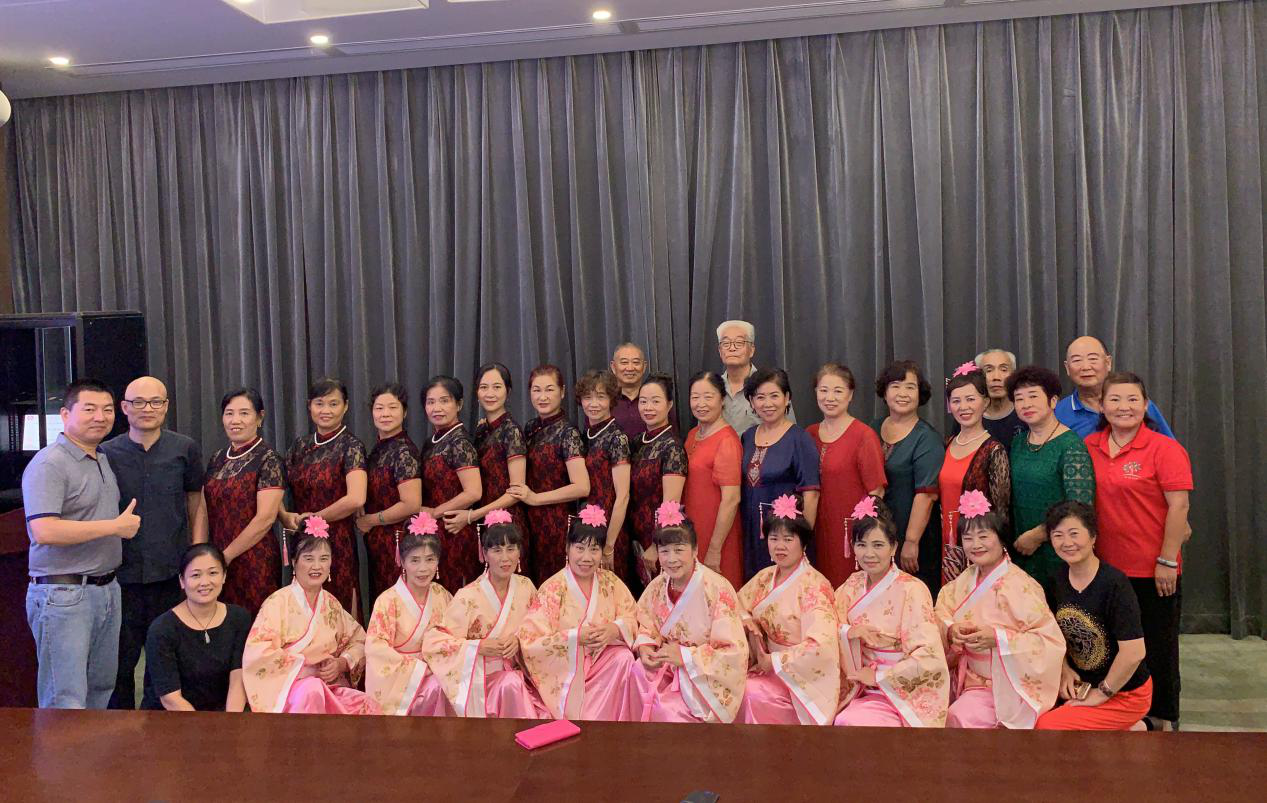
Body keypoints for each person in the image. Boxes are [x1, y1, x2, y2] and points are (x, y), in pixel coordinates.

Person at [1084, 372, 1192, 731]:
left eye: (1132, 399)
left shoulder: (1164, 448)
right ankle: (1123, 711)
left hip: (1153, 569)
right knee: (1114, 645)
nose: (1123, 407)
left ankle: (1162, 717)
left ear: (1145, 405)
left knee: (1158, 646)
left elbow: (1179, 507)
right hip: (1105, 569)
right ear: (1102, 406)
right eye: (1114, 399)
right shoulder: (1089, 446)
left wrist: (1167, 560)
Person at [23, 379, 138, 709]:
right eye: (89, 409)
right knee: (65, 699)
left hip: (106, 589)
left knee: (100, 690)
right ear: (65, 414)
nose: (100, 417)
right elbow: (44, 531)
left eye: (107, 410)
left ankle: (89, 748)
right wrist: (114, 527)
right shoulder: (50, 463)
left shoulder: (101, 457)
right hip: (64, 594)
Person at [100, 375, 206, 709]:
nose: (148, 408)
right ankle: (118, 730)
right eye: (138, 402)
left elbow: (196, 502)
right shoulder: (106, 453)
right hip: (121, 575)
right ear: (124, 408)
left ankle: (158, 731)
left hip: (169, 573)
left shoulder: (184, 448)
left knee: (163, 665)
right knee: (119, 663)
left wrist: (197, 555)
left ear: (166, 406)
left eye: (156, 402)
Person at [934, 493, 1064, 728]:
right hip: (965, 679)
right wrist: (951, 630)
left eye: (984, 536)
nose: (976, 544)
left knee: (958, 717)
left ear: (1002, 539)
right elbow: (940, 613)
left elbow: (1049, 641)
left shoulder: (1022, 586)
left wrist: (998, 639)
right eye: (968, 538)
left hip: (1007, 684)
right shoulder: (962, 582)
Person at [625, 503, 748, 723]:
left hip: (702, 674)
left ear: (695, 550)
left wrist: (686, 657)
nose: (671, 559)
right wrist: (646, 647)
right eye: (664, 551)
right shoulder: (657, 586)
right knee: (637, 670)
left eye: (679, 550)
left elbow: (732, 651)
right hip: (667, 664)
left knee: (670, 710)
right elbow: (646, 623)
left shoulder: (716, 588)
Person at [833, 496, 949, 727]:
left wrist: (879, 677)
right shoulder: (851, 585)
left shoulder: (912, 589)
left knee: (850, 722)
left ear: (894, 547)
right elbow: (826, 627)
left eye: (878, 545)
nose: (869, 554)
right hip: (857, 685)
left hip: (901, 692)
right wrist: (847, 632)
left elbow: (928, 654)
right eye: (861, 545)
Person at [241, 517, 377, 714]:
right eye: (308, 558)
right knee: (311, 690)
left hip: (328, 686)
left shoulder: (331, 604)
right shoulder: (277, 603)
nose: (317, 566)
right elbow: (258, 654)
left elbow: (360, 640)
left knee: (366, 704)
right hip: (290, 689)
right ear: (294, 562)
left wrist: (341, 663)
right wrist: (307, 669)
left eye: (324, 558)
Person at [1036, 501, 1152, 731]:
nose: (1067, 543)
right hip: (1081, 687)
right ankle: (1129, 731)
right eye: (1058, 535)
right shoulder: (1056, 580)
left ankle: (1134, 726)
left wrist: (1102, 693)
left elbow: (1134, 653)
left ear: (1093, 537)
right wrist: (1065, 668)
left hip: (1124, 692)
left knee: (1046, 727)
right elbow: (1052, 635)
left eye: (1074, 534)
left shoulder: (1115, 584)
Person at [518, 506, 639, 721]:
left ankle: (611, 725)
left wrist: (615, 629)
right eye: (580, 548)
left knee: (623, 658)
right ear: (567, 548)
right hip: (566, 670)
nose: (586, 557)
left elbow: (633, 616)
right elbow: (530, 641)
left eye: (594, 549)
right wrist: (574, 638)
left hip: (603, 665)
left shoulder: (611, 582)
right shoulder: (553, 588)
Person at [421, 517, 547, 718]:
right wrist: (477, 647)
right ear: (485, 554)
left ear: (519, 552)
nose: (505, 558)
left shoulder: (526, 587)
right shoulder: (468, 596)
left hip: (519, 673)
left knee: (514, 683)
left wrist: (519, 641)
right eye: (497, 550)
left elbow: (540, 628)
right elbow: (435, 642)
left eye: (511, 549)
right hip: (479, 680)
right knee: (511, 684)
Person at [735, 497, 840, 726]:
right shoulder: (764, 577)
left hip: (802, 675)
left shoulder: (814, 586)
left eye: (788, 539)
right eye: (774, 538)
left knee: (752, 692)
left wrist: (776, 661)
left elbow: (821, 644)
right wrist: (746, 619)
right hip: (767, 665)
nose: (779, 546)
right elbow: (735, 604)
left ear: (803, 544)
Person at [279, 378, 367, 616]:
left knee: (339, 607)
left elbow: (356, 498)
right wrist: (285, 515)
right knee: (304, 607)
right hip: (302, 539)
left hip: (338, 539)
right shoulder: (300, 446)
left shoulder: (351, 446)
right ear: (309, 406)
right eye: (319, 403)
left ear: (346, 406)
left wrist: (316, 519)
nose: (326, 410)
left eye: (333, 404)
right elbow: (272, 486)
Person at [1006, 365, 1095, 588]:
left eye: (1033, 396)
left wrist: (1038, 535)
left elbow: (1081, 507)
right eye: (1019, 399)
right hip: (1021, 549)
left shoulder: (1071, 446)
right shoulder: (1018, 442)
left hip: (1060, 551)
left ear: (1053, 401)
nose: (1026, 404)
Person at [203, 388, 285, 616]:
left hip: (254, 559)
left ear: (260, 417)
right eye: (229, 413)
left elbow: (265, 518)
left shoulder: (269, 459)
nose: (235, 420)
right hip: (216, 558)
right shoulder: (217, 458)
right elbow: (203, 505)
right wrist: (202, 553)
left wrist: (226, 556)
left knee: (256, 623)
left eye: (244, 413)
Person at [141, 544, 250, 712]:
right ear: (182, 581)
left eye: (213, 573)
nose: (205, 582)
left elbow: (238, 678)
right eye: (195, 575)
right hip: (172, 717)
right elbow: (170, 699)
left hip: (223, 716)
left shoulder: (239, 618)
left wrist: (229, 722)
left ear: (224, 576)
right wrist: (203, 727)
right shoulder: (162, 629)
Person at [806, 362, 887, 588]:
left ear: (850, 395)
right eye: (823, 390)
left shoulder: (863, 435)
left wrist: (865, 534)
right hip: (815, 530)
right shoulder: (809, 434)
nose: (829, 398)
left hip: (849, 532)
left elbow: (876, 491)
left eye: (838, 391)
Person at [364, 514, 454, 716]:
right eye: (415, 560)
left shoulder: (443, 596)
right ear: (402, 561)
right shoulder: (388, 600)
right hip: (401, 682)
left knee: (442, 686)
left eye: (430, 559)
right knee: (435, 687)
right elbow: (376, 649)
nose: (423, 568)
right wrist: (418, 669)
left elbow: (455, 638)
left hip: (437, 672)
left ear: (438, 561)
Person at [510, 365, 590, 584]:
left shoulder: (568, 433)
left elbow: (582, 486)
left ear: (562, 392)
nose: (542, 397)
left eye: (549, 389)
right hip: (529, 522)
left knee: (554, 585)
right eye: (536, 390)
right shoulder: (530, 428)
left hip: (556, 523)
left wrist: (536, 498)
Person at [739, 368, 820, 582]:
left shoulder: (799, 439)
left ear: (787, 398)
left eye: (774, 396)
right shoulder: (747, 437)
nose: (767, 403)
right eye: (760, 397)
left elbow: (811, 494)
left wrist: (802, 540)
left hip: (787, 536)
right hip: (752, 532)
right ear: (751, 402)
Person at [871, 360, 942, 593]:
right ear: (885, 392)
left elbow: (927, 496)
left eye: (910, 387)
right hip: (876, 536)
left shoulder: (927, 438)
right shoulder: (872, 428)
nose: (902, 393)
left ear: (920, 394)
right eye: (895, 386)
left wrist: (911, 541)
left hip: (913, 537)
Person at [938, 366, 1010, 586]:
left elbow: (1001, 511)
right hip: (944, 543)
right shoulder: (946, 443)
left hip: (977, 545)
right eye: (956, 401)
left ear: (985, 402)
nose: (963, 407)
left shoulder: (994, 450)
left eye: (970, 399)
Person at [355, 383, 422, 603]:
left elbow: (411, 503)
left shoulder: (404, 451)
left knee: (399, 603)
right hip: (379, 543)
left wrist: (371, 520)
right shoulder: (379, 448)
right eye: (379, 408)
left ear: (405, 412)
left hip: (398, 541)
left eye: (392, 407)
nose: (385, 414)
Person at [418, 376, 484, 590]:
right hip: (435, 532)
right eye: (431, 402)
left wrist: (435, 512)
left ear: (459, 404)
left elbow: (473, 492)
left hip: (455, 530)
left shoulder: (460, 442)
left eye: (444, 401)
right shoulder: (432, 441)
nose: (437, 408)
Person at [683, 371, 743, 588]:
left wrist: (715, 549)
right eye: (695, 397)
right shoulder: (692, 434)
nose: (701, 404)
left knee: (718, 595)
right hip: (692, 530)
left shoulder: (726, 440)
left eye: (708, 397)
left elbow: (731, 499)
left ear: (722, 399)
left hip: (717, 535)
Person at [628, 373, 689, 585]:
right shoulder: (637, 442)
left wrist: (657, 545)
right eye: (643, 401)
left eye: (655, 401)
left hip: (658, 538)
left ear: (669, 404)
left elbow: (671, 504)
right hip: (634, 535)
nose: (648, 408)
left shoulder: (672, 446)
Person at [1055, 336, 1175, 438]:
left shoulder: (1135, 404)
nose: (1086, 367)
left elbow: (1169, 447)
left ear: (1108, 363)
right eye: (1077, 360)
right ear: (1067, 367)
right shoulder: (1058, 414)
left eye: (1093, 359)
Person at [576, 370, 632, 583]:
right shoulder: (585, 435)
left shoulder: (617, 438)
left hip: (611, 530)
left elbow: (623, 496)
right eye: (588, 397)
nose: (593, 404)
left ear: (611, 399)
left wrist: (609, 546)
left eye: (600, 397)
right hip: (585, 527)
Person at [461, 363, 528, 536]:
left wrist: (473, 515)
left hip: (507, 523)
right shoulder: (481, 430)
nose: (490, 393)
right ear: (477, 392)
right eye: (484, 387)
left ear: (508, 391)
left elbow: (516, 492)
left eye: (497, 387)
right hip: (482, 520)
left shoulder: (512, 431)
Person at [717, 319, 795, 435]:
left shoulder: (772, 385)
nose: (732, 348)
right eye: (726, 343)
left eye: (739, 342)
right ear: (720, 351)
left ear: (752, 350)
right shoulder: (713, 387)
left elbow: (790, 432)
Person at [949, 349, 1025, 449]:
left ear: (1013, 375)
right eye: (988, 370)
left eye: (1004, 370)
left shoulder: (1024, 412)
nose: (996, 377)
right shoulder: (967, 415)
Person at [609, 342, 648, 439]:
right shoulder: (604, 401)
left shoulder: (657, 400)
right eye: (624, 362)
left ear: (644, 367)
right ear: (613, 367)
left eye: (636, 362)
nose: (630, 368)